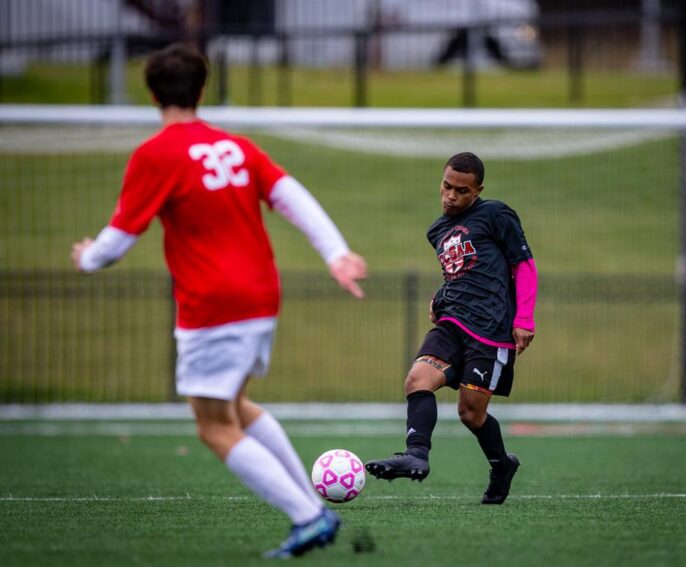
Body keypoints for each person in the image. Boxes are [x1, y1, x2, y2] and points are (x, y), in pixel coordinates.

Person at [70, 43, 367, 558]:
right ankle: (312, 507)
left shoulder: (155, 154)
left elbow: (117, 241)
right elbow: (291, 194)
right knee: (234, 406)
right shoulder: (236, 147)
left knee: (212, 426)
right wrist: (335, 252)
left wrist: (86, 259)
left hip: (213, 303)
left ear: (152, 94)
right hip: (260, 294)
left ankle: (309, 515)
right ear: (202, 89)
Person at [365, 152, 537, 504]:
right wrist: (440, 297)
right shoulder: (437, 230)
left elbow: (524, 265)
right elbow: (462, 271)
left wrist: (524, 319)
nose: (450, 196)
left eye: (461, 190)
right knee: (417, 380)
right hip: (451, 322)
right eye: (446, 186)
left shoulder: (496, 214)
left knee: (470, 413)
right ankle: (416, 454)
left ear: (478, 191)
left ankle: (501, 465)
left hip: (489, 330)